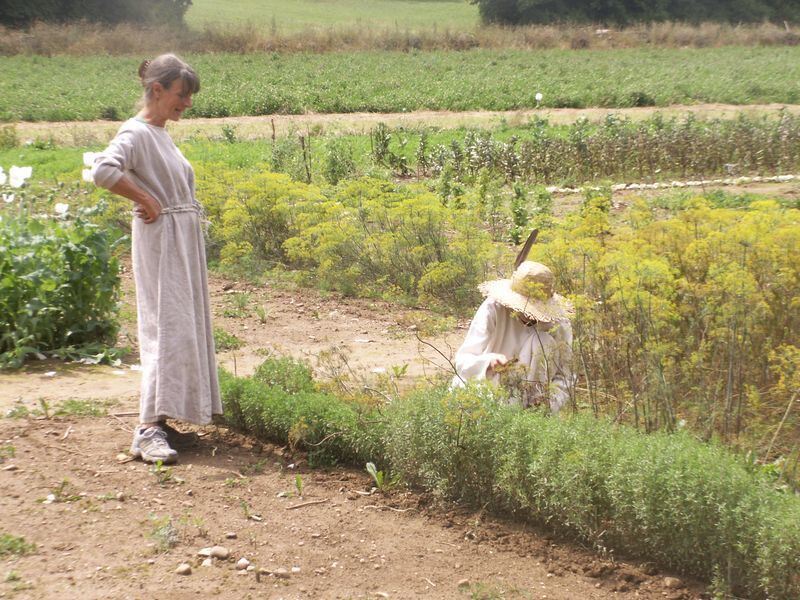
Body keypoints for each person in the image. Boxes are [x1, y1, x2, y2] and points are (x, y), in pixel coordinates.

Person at [92, 54, 221, 463]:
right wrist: (146, 198)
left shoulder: (160, 133)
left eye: (189, 97)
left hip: (177, 241)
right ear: (157, 90)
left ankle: (162, 421)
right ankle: (147, 430)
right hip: (162, 242)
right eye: (181, 95)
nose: (187, 103)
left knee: (181, 326)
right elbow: (103, 170)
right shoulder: (136, 131)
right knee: (165, 328)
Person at [452, 261, 575, 413]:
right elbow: (463, 360)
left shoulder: (559, 324)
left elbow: (565, 376)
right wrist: (488, 362)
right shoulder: (494, 308)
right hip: (487, 395)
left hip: (533, 405)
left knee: (543, 341)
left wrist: (549, 403)